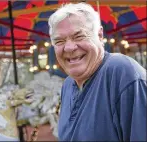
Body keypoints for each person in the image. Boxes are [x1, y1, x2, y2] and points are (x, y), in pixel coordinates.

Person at [48, 2, 146, 141]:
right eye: (59, 41)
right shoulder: (68, 84)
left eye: (79, 36)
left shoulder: (122, 72)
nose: (69, 47)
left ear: (100, 35)